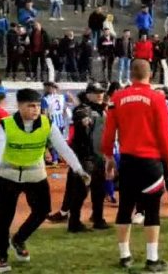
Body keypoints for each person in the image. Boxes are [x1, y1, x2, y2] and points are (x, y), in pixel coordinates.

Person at [0, 88, 89, 273]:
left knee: (42, 212)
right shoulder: (5, 126)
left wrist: (79, 169)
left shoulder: (47, 124)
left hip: (35, 175)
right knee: (3, 218)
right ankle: (1, 255)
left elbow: (63, 148)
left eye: (38, 106)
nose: (35, 110)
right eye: (30, 106)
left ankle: (19, 239)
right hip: (8, 177)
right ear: (19, 106)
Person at [102, 59, 168, 271]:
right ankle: (152, 259)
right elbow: (164, 133)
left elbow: (109, 133)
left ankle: (125, 256)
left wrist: (108, 157)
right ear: (150, 74)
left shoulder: (117, 98)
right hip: (150, 162)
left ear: (130, 74)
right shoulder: (156, 98)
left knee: (125, 207)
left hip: (127, 161)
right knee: (152, 210)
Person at [64, 84, 111, 232]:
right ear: (88, 94)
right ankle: (74, 222)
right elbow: (80, 115)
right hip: (85, 157)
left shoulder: (103, 109)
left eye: (102, 92)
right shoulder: (83, 109)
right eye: (96, 92)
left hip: (98, 156)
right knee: (81, 191)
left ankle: (98, 219)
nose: (100, 95)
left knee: (99, 190)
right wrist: (84, 121)